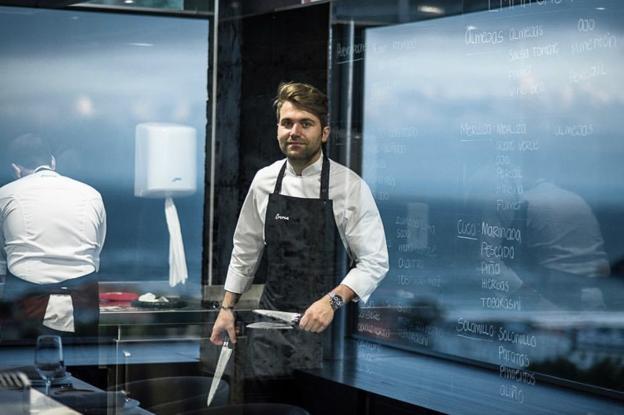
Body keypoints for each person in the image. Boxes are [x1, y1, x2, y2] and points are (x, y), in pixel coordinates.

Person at [209, 82, 388, 396]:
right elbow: (245, 249)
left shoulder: (349, 187)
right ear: (278, 129)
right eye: (287, 123)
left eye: (306, 123)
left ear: (324, 132)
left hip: (327, 333)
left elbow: (374, 262)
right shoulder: (265, 180)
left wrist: (331, 302)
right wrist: (226, 308)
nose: (295, 131)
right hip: (270, 330)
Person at [0, 133, 106, 340]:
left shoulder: (4, 195)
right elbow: (96, 254)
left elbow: (1, 262)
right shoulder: (92, 194)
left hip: (26, 302)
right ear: (53, 162)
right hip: (83, 303)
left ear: (15, 168)